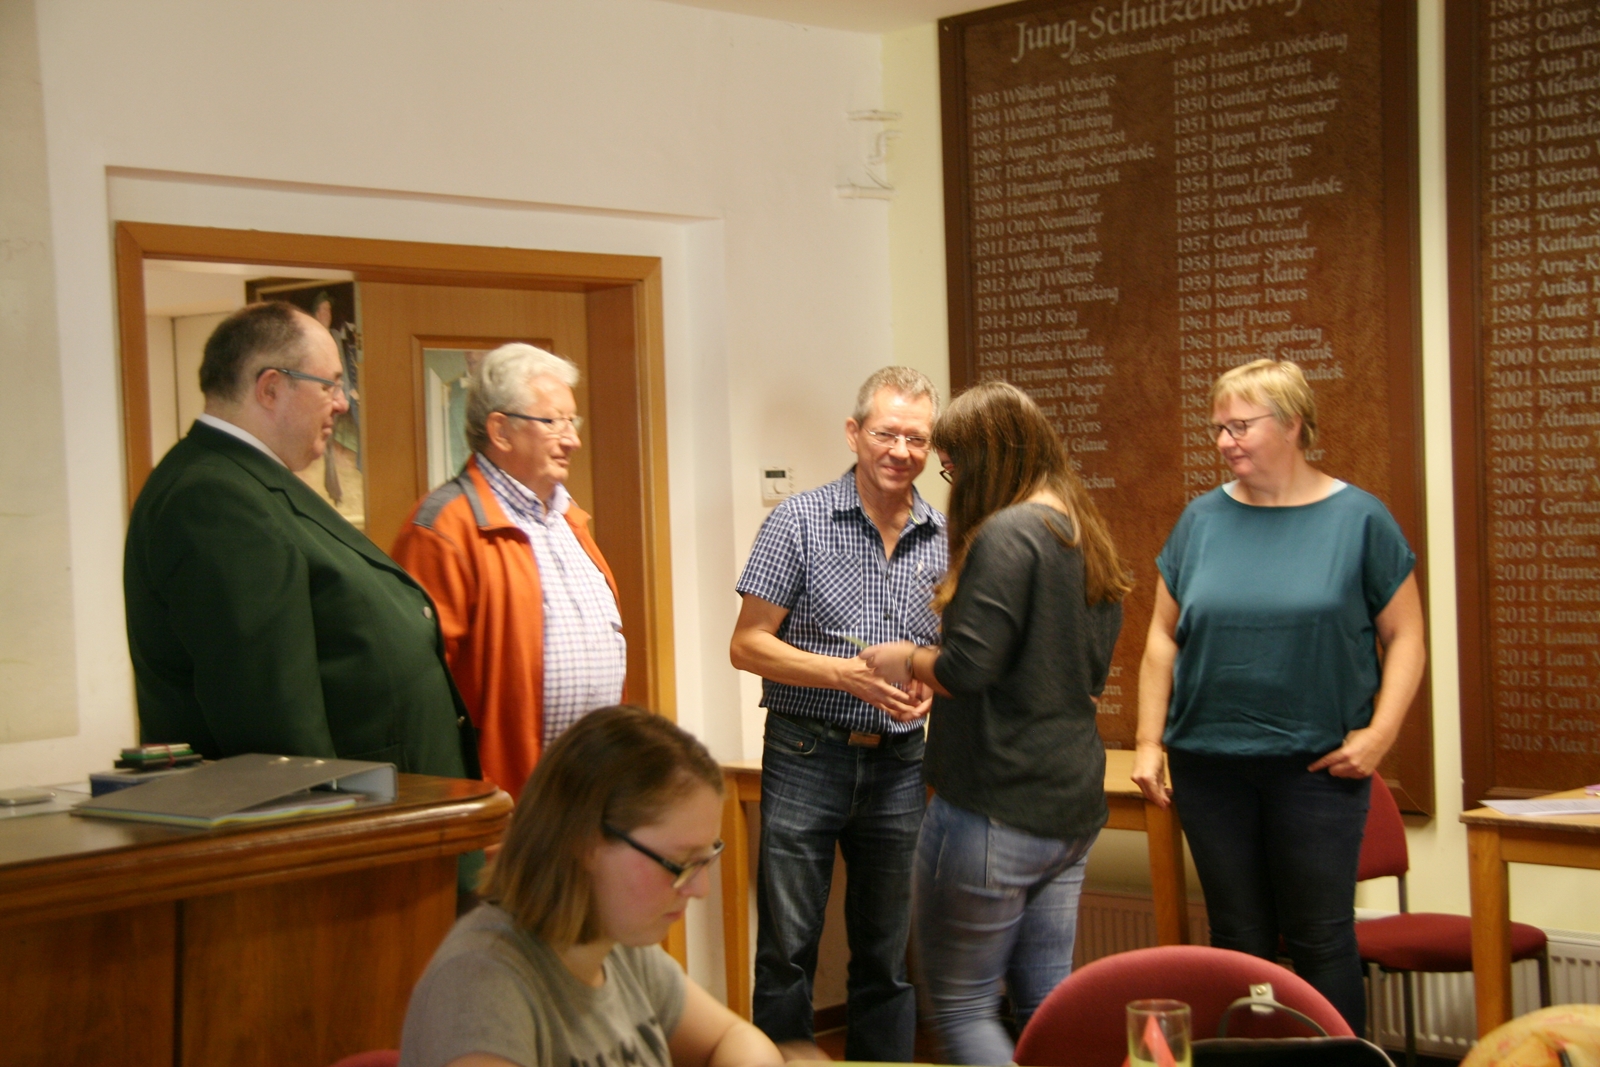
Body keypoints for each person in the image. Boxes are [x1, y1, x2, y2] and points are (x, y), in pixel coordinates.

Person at [1131, 359, 1426, 1033]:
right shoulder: (1200, 520)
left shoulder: (1359, 518)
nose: (1224, 441)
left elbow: (1407, 637)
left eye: (1240, 425)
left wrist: (1380, 734)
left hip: (1317, 767)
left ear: (1293, 425)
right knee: (1237, 938)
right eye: (1218, 427)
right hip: (1209, 764)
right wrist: (1149, 741)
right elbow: (1161, 638)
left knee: (1321, 936)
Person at [861, 381, 1130, 1065]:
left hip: (995, 804)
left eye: (952, 467)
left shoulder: (1009, 533)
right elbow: (1082, 669)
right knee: (1047, 1004)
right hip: (1068, 804)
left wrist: (905, 657)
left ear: (986, 460)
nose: (951, 482)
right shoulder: (1080, 529)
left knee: (962, 1007)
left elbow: (966, 668)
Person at [125, 301, 476, 783]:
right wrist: (323, 816)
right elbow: (271, 718)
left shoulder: (245, 482)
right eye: (329, 384)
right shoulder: (215, 498)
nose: (343, 403)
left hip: (388, 801)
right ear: (270, 388)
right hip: (346, 814)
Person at [729, 366, 947, 1062]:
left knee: (887, 953)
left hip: (901, 762)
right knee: (788, 949)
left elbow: (947, 653)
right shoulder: (797, 521)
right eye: (886, 434)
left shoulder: (945, 535)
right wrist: (843, 675)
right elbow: (746, 645)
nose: (901, 451)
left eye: (917, 438)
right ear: (854, 433)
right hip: (806, 753)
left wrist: (927, 682)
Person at [398, 705, 785, 1067]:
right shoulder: (478, 986)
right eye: (681, 863)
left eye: (705, 859)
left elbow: (734, 1037)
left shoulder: (616, 947)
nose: (700, 889)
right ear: (584, 842)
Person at [393, 343, 624, 800]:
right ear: (500, 430)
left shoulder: (569, 520)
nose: (572, 440)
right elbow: (417, 694)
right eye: (553, 422)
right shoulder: (444, 528)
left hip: (587, 793)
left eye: (572, 422)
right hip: (500, 805)